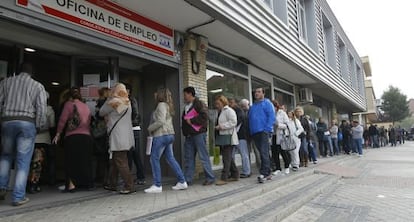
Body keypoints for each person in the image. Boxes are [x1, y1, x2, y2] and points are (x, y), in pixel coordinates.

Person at [0, 63, 47, 206]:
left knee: (6, 156)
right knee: (23, 161)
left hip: (7, 121)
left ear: (18, 71)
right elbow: (41, 109)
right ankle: (18, 197)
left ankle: (1, 188)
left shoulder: (6, 82)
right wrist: (38, 125)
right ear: (31, 73)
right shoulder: (37, 86)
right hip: (27, 123)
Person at [145, 88, 187, 193]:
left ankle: (157, 185)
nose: (154, 94)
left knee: (154, 159)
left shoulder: (161, 105)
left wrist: (150, 128)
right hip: (169, 135)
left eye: (156, 93)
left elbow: (160, 121)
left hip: (161, 135)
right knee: (170, 158)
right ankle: (182, 182)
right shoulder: (168, 105)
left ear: (160, 95)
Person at [53, 87, 94, 192]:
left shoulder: (69, 105)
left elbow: (63, 120)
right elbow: (89, 121)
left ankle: (71, 185)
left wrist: (58, 134)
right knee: (84, 161)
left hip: (72, 136)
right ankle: (87, 184)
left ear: (69, 96)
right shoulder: (86, 106)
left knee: (70, 161)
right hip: (86, 137)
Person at [99, 83, 135, 194]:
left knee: (120, 160)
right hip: (125, 136)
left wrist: (109, 97)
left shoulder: (114, 101)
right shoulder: (127, 103)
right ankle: (112, 184)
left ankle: (129, 186)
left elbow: (101, 112)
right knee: (115, 161)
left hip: (118, 136)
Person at [182, 87, 215, 185]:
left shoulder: (199, 103)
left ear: (190, 94)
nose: (184, 97)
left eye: (185, 94)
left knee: (203, 156)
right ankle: (188, 179)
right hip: (189, 135)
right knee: (188, 158)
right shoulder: (186, 106)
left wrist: (191, 120)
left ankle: (210, 178)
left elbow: (205, 116)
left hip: (199, 134)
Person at [29, 92, 56, 193]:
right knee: (38, 163)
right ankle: (34, 184)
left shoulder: (30, 108)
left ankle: (28, 183)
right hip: (44, 139)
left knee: (29, 163)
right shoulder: (49, 110)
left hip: (30, 139)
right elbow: (52, 124)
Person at [249, 88, 275, 183]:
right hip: (255, 133)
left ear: (263, 93)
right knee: (263, 153)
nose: (256, 93)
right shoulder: (253, 106)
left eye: (259, 92)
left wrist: (267, 129)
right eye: (255, 92)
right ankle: (269, 170)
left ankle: (264, 173)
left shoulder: (267, 103)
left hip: (264, 131)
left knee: (264, 152)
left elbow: (272, 116)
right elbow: (250, 119)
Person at [215, 96, 239, 185]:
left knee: (226, 158)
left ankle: (224, 178)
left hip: (229, 138)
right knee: (229, 158)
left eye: (218, 103)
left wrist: (221, 126)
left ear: (223, 102)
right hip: (224, 137)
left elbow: (234, 122)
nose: (217, 105)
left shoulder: (229, 111)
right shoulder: (221, 111)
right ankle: (235, 174)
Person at [125, 84, 145, 186]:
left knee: (134, 154)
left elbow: (135, 115)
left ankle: (139, 177)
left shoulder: (131, 100)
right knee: (132, 154)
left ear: (128, 91)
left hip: (133, 129)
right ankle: (133, 178)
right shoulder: (129, 100)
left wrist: (128, 124)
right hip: (132, 129)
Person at [229, 98, 251, 178]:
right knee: (235, 154)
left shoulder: (238, 111)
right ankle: (239, 171)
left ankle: (246, 172)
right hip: (238, 136)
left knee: (243, 154)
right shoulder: (238, 111)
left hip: (240, 136)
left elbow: (237, 122)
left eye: (231, 102)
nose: (230, 104)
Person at [240, 99, 260, 169]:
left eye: (244, 106)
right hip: (246, 135)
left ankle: (260, 166)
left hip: (254, 133)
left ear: (248, 105)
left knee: (257, 151)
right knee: (247, 152)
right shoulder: (242, 112)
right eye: (242, 106)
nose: (243, 108)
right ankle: (248, 169)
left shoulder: (253, 111)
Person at [271, 100, 291, 175]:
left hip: (281, 135)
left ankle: (287, 167)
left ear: (276, 106)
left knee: (283, 151)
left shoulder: (282, 113)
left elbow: (287, 124)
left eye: (273, 107)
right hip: (273, 135)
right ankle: (278, 168)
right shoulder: (270, 114)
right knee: (275, 153)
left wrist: (278, 125)